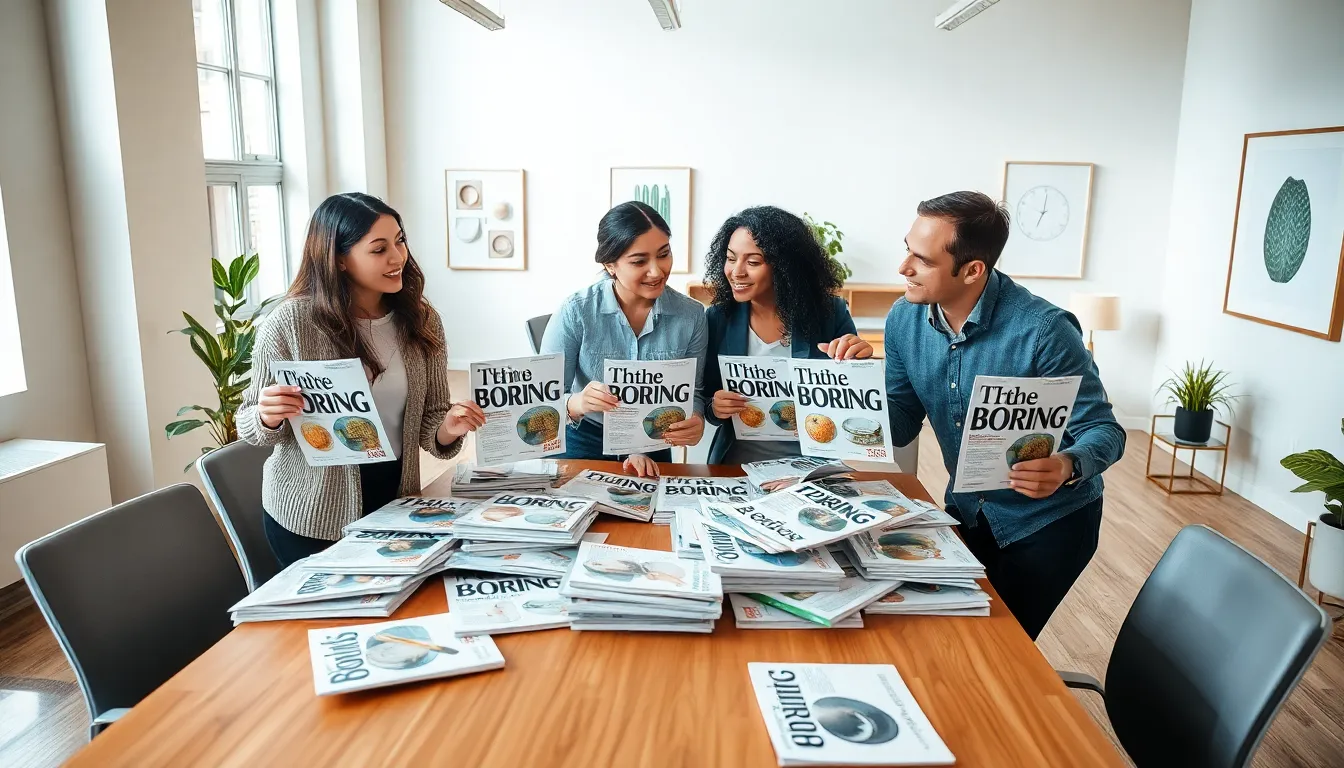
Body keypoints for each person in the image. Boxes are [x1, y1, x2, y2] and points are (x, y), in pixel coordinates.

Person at [883, 190, 1126, 640]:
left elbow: (1103, 429)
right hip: (966, 510)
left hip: (1048, 524)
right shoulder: (903, 319)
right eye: (906, 249)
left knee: (997, 650)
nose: (903, 268)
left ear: (973, 269)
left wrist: (1067, 465)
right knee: (946, 635)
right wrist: (855, 389)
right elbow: (898, 422)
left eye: (922, 259)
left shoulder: (1044, 330)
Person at [238, 192, 486, 568]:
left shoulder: (420, 320)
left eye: (400, 241)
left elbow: (433, 420)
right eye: (379, 249)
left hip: (395, 498)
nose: (398, 257)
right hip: (312, 514)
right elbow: (250, 425)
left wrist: (449, 427)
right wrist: (267, 415)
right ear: (339, 258)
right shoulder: (290, 323)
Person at [540, 201, 707, 478]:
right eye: (639, 261)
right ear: (610, 265)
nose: (657, 271)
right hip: (583, 440)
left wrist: (696, 420)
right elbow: (542, 402)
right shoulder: (576, 311)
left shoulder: (692, 315)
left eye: (664, 254)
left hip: (653, 444)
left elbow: (695, 393)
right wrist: (578, 402)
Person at [700, 206, 872, 464]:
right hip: (736, 464)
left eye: (753, 262)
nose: (737, 272)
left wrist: (858, 365)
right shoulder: (717, 318)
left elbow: (849, 403)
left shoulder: (830, 314)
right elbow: (704, 400)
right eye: (731, 258)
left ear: (784, 268)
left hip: (810, 465)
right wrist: (715, 407)